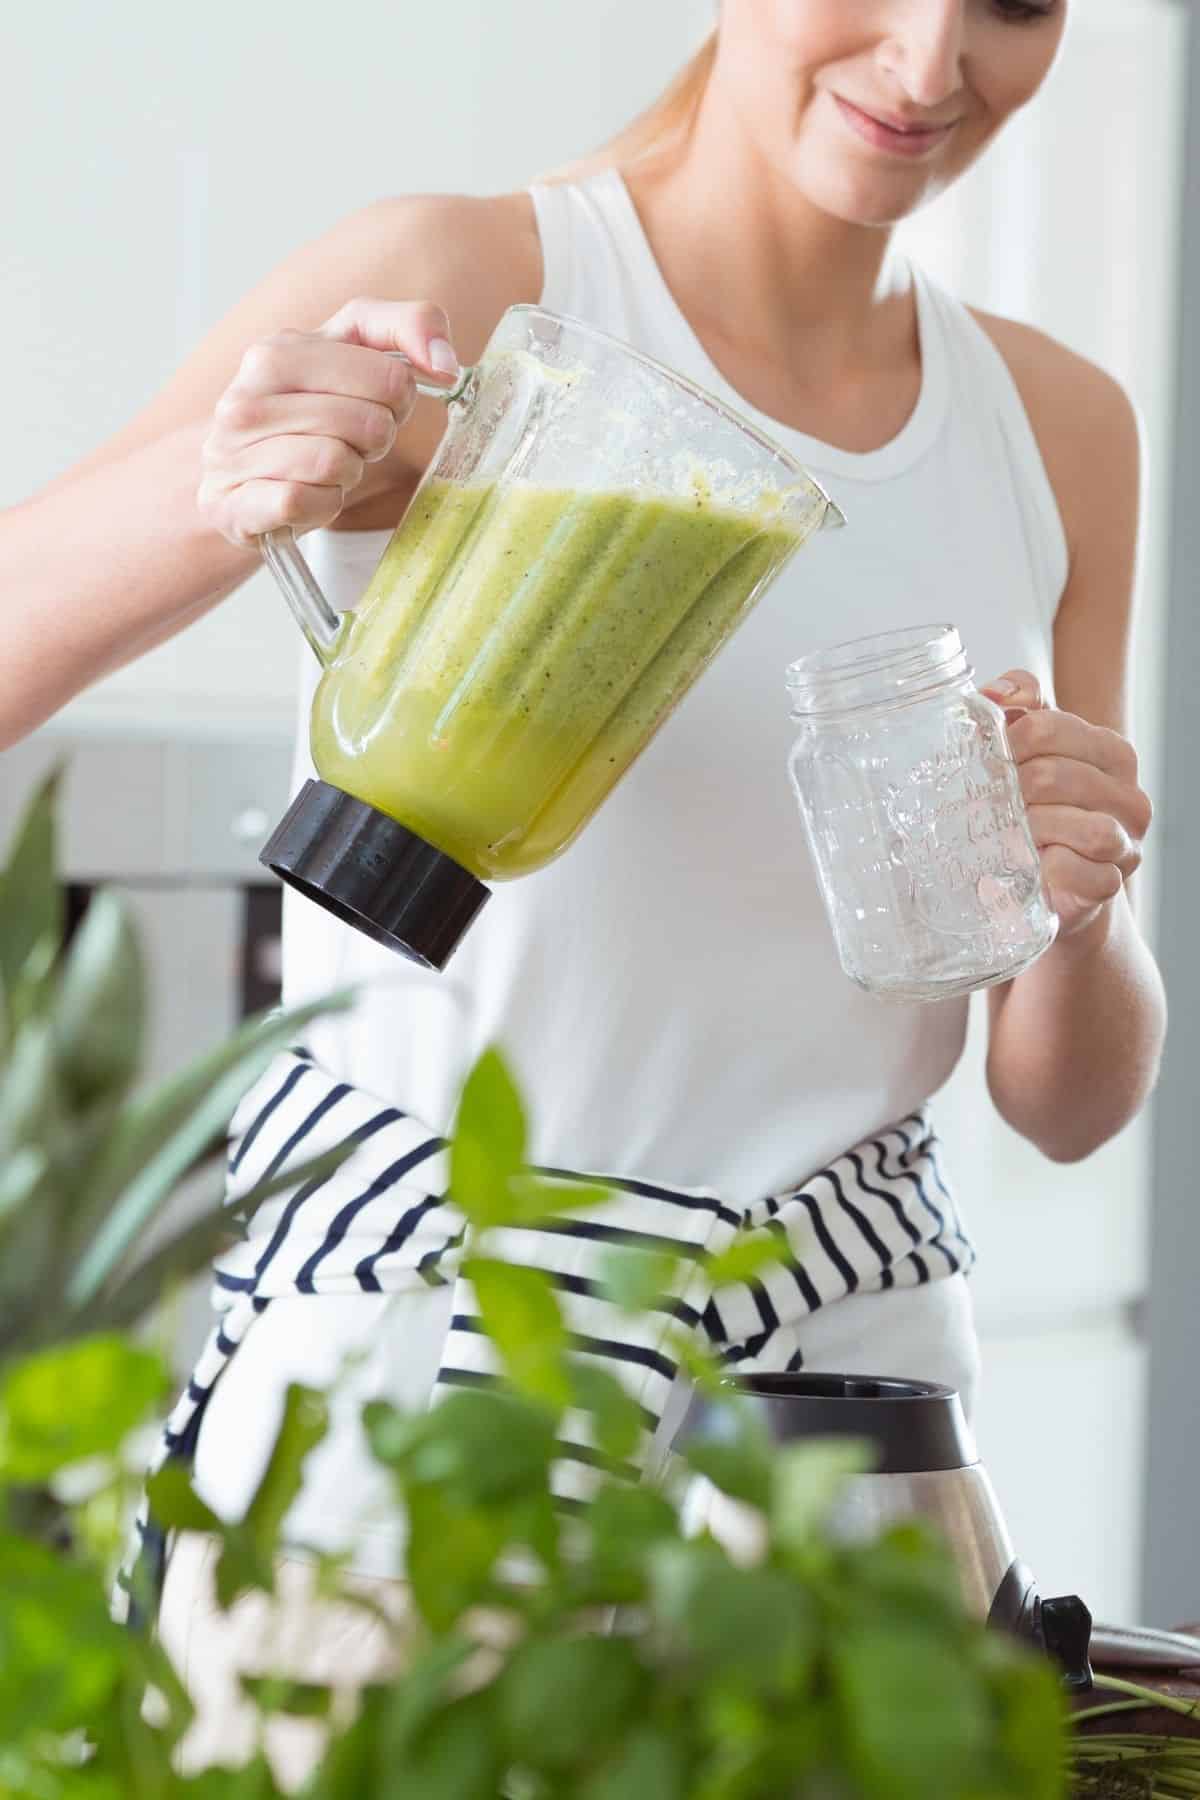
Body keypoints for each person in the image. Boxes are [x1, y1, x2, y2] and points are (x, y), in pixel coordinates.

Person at [4, 0, 1166, 1783]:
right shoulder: (471, 279)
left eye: (1009, 3)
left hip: (848, 1421)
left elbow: (1068, 1103)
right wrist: (237, 482)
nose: (932, 65)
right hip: (420, 1399)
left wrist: (1081, 904)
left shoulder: (1061, 422)